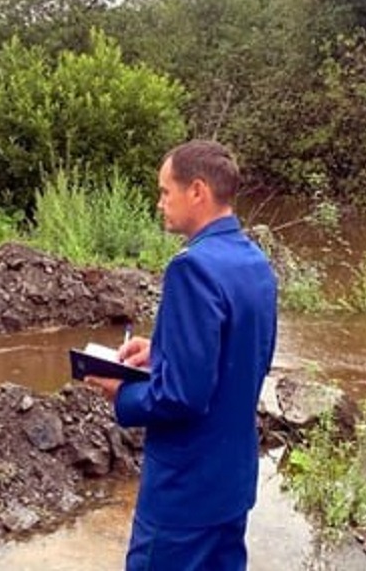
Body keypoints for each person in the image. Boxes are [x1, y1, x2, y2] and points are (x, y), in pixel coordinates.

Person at [86, 140, 278, 571]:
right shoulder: (254, 262)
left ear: (197, 191)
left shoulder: (193, 267)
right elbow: (248, 356)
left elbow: (182, 397)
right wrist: (163, 351)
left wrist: (121, 393)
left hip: (184, 492)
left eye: (164, 192)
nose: (159, 204)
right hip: (231, 484)